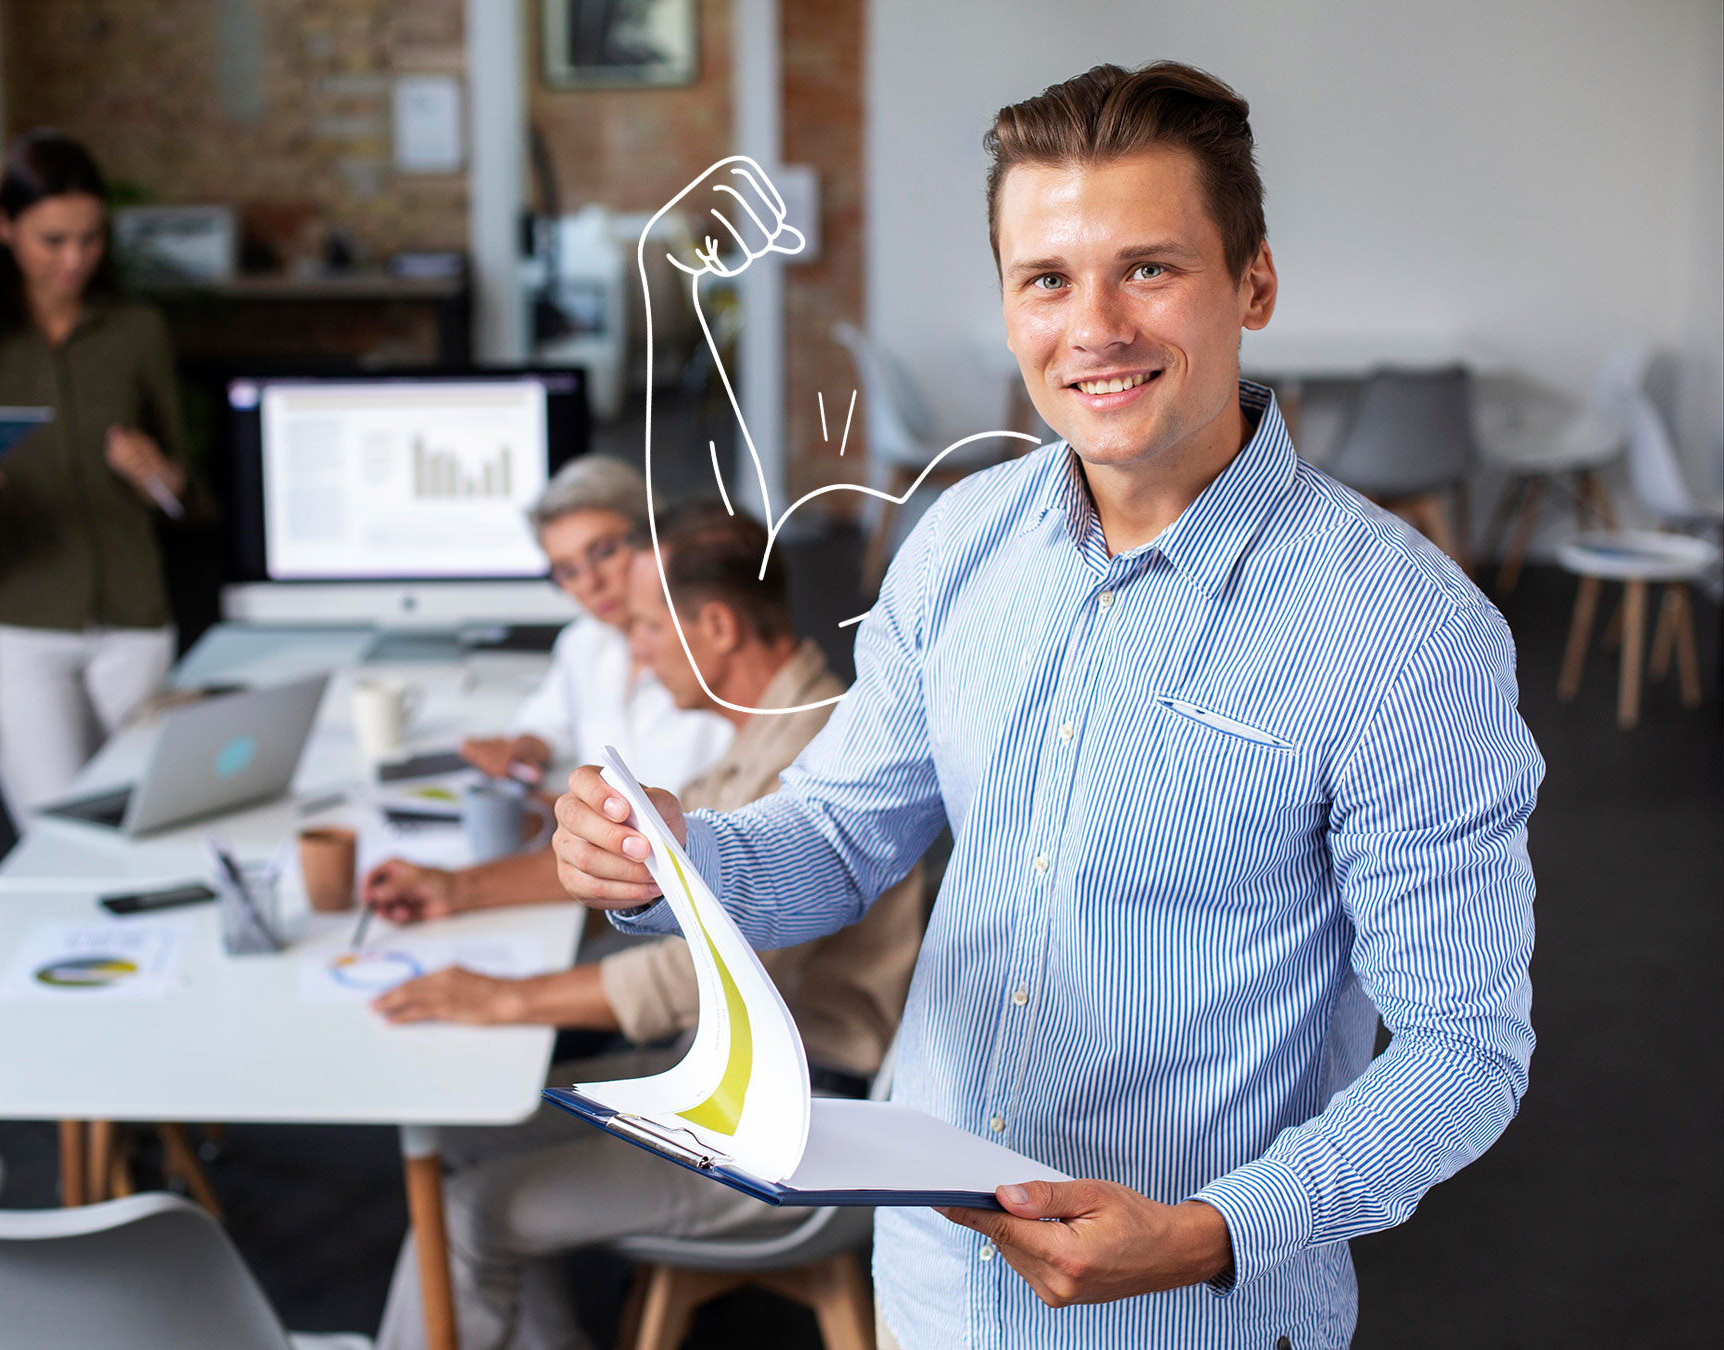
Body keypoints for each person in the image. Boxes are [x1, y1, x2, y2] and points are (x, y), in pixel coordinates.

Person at [552, 64, 1543, 1349]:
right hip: (930, 1282)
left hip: (1188, 1313)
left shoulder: (1407, 634)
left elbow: (1466, 1051)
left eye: (1149, 269)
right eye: (1048, 279)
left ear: (1254, 283)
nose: (1095, 328)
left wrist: (1210, 1231)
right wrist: (671, 866)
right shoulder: (959, 542)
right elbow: (845, 837)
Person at [368, 506, 927, 1350]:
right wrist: (459, 888)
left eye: (643, 627)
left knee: (464, 1213)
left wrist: (505, 1001)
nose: (633, 653)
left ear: (714, 626)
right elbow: (635, 863)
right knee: (461, 1139)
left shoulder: (809, 749)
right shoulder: (765, 731)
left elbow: (683, 980)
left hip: (800, 1119)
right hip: (730, 1079)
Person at [0, 131, 205, 821]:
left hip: (134, 618)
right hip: (16, 621)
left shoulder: (134, 329)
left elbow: (185, 484)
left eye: (90, 238)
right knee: (58, 829)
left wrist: (158, 473)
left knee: (151, 820)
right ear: (6, 228)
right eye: (53, 240)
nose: (74, 259)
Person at [459, 453, 730, 790]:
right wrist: (521, 748)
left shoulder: (709, 646)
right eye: (568, 571)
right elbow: (550, 723)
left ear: (655, 536)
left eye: (604, 552)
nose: (589, 583)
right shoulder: (583, 642)